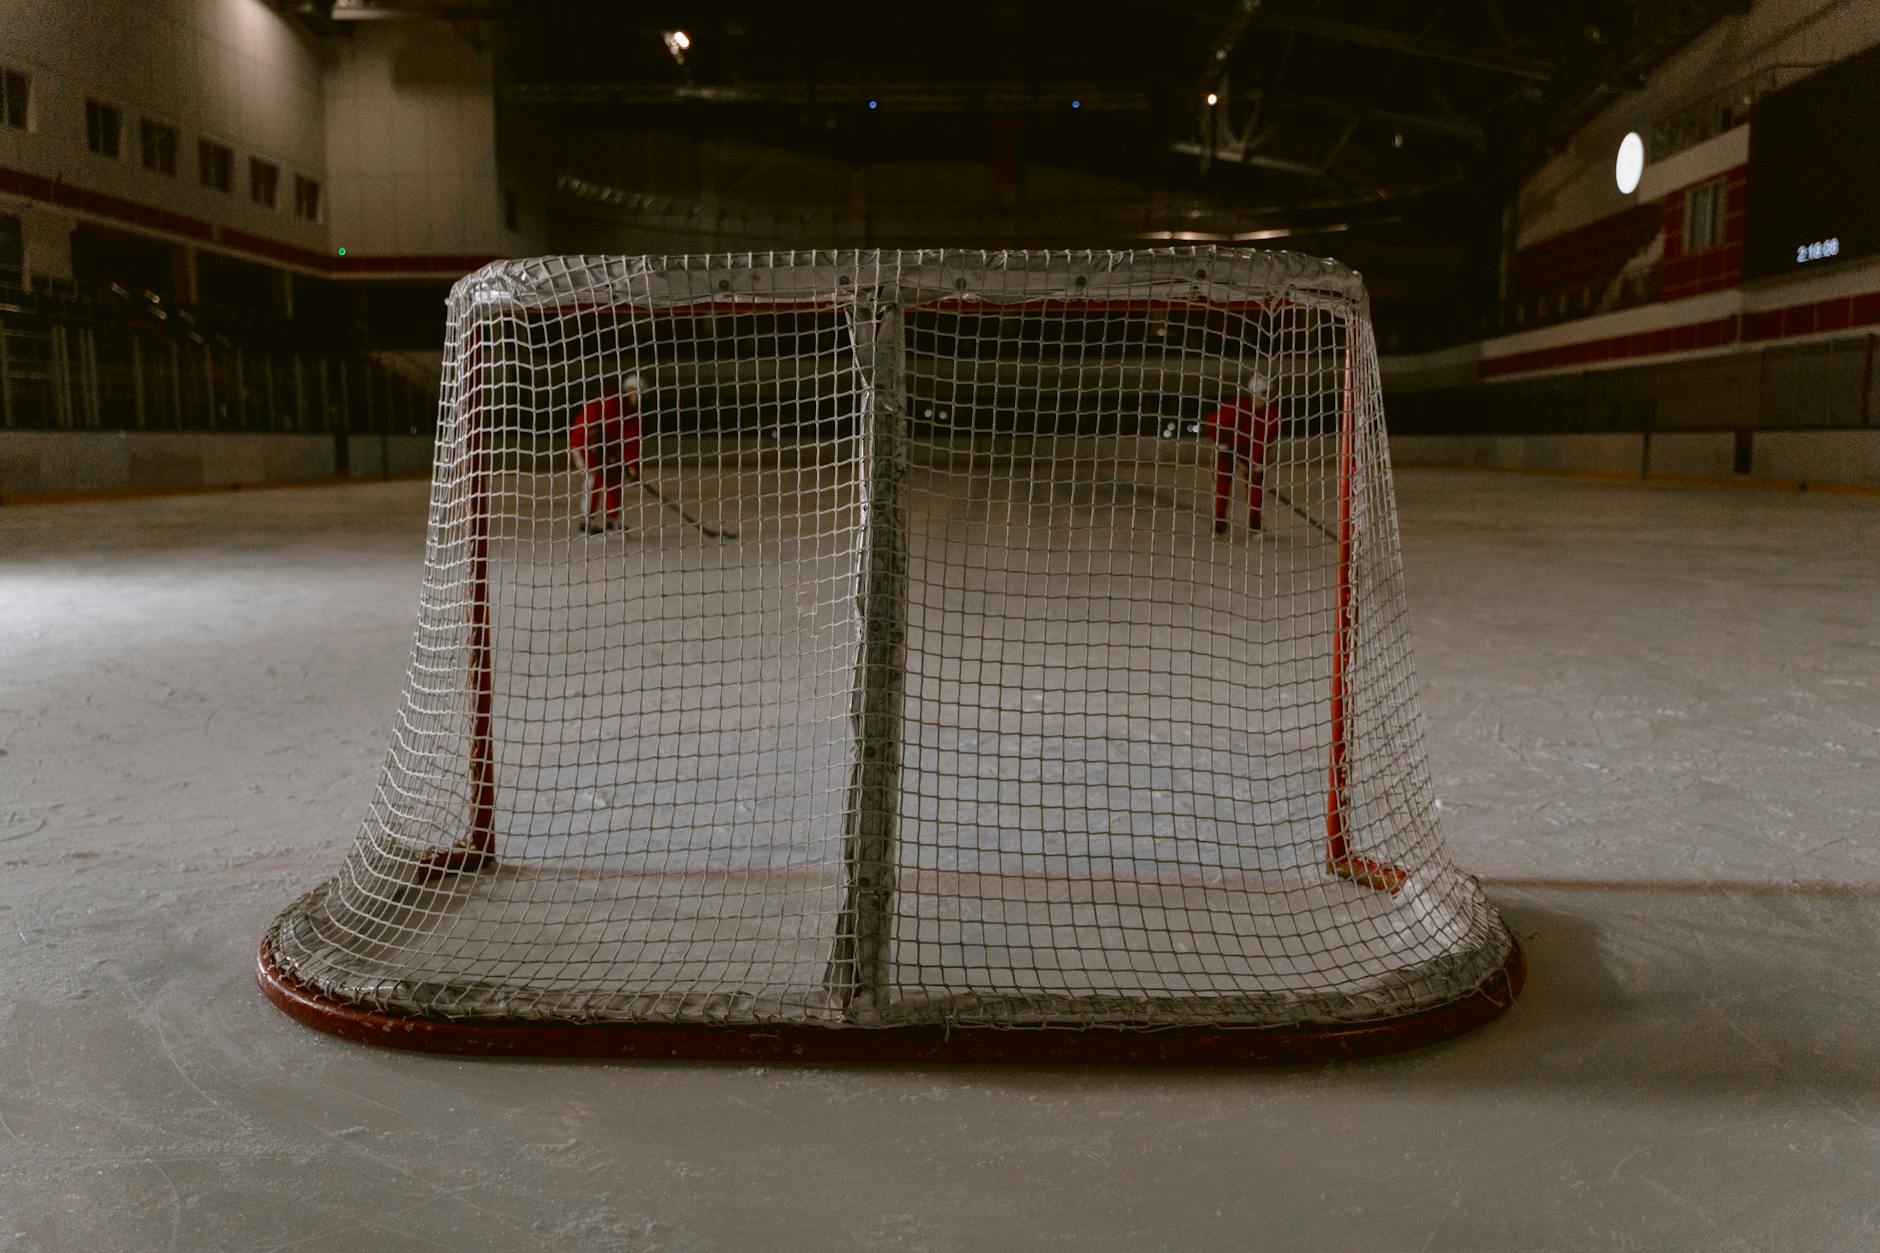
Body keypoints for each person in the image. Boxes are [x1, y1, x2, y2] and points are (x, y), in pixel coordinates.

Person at [1203, 371, 1279, 535]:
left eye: (1268, 394)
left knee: (1255, 487)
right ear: (1253, 394)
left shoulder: (1271, 414)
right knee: (1222, 485)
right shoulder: (1237, 407)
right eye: (1263, 394)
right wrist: (1222, 444)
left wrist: (1256, 464)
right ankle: (1219, 523)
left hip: (1250, 452)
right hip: (1227, 450)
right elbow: (1212, 423)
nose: (1266, 398)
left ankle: (1255, 525)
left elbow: (1265, 440)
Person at [570, 375, 644, 532]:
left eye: (641, 393)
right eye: (635, 392)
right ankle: (585, 522)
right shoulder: (610, 401)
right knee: (594, 477)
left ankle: (611, 520)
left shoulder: (633, 418)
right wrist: (593, 434)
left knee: (615, 478)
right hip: (584, 445)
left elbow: (631, 444)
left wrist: (633, 468)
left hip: (606, 451)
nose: (638, 397)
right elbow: (589, 416)